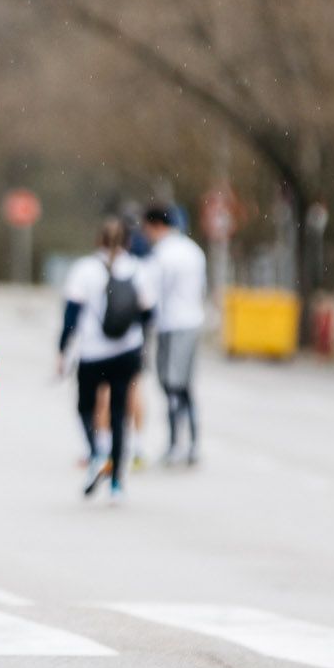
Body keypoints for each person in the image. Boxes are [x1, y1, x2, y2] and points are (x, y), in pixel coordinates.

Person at [61, 217, 150, 501]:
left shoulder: (85, 269)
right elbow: (149, 313)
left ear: (99, 239)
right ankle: (116, 484)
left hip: (93, 353)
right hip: (127, 352)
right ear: (128, 241)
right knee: (119, 412)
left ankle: (97, 450)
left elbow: (71, 315)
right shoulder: (138, 269)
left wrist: (63, 349)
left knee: (85, 406)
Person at [144, 205, 207, 465]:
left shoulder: (162, 255)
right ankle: (192, 443)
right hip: (193, 321)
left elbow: (151, 295)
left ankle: (174, 444)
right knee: (186, 385)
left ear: (157, 225)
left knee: (170, 385)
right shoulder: (194, 251)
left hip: (171, 325)